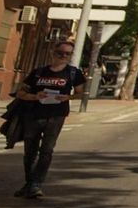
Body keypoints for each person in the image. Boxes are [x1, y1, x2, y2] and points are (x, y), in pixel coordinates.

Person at [12, 40, 87, 198]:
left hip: (56, 115)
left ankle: (37, 183)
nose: (63, 56)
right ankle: (29, 182)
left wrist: (68, 96)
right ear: (53, 52)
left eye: (68, 54)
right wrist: (35, 96)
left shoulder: (74, 74)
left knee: (47, 150)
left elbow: (80, 93)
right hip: (33, 114)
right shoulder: (38, 72)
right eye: (61, 52)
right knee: (30, 152)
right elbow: (20, 93)